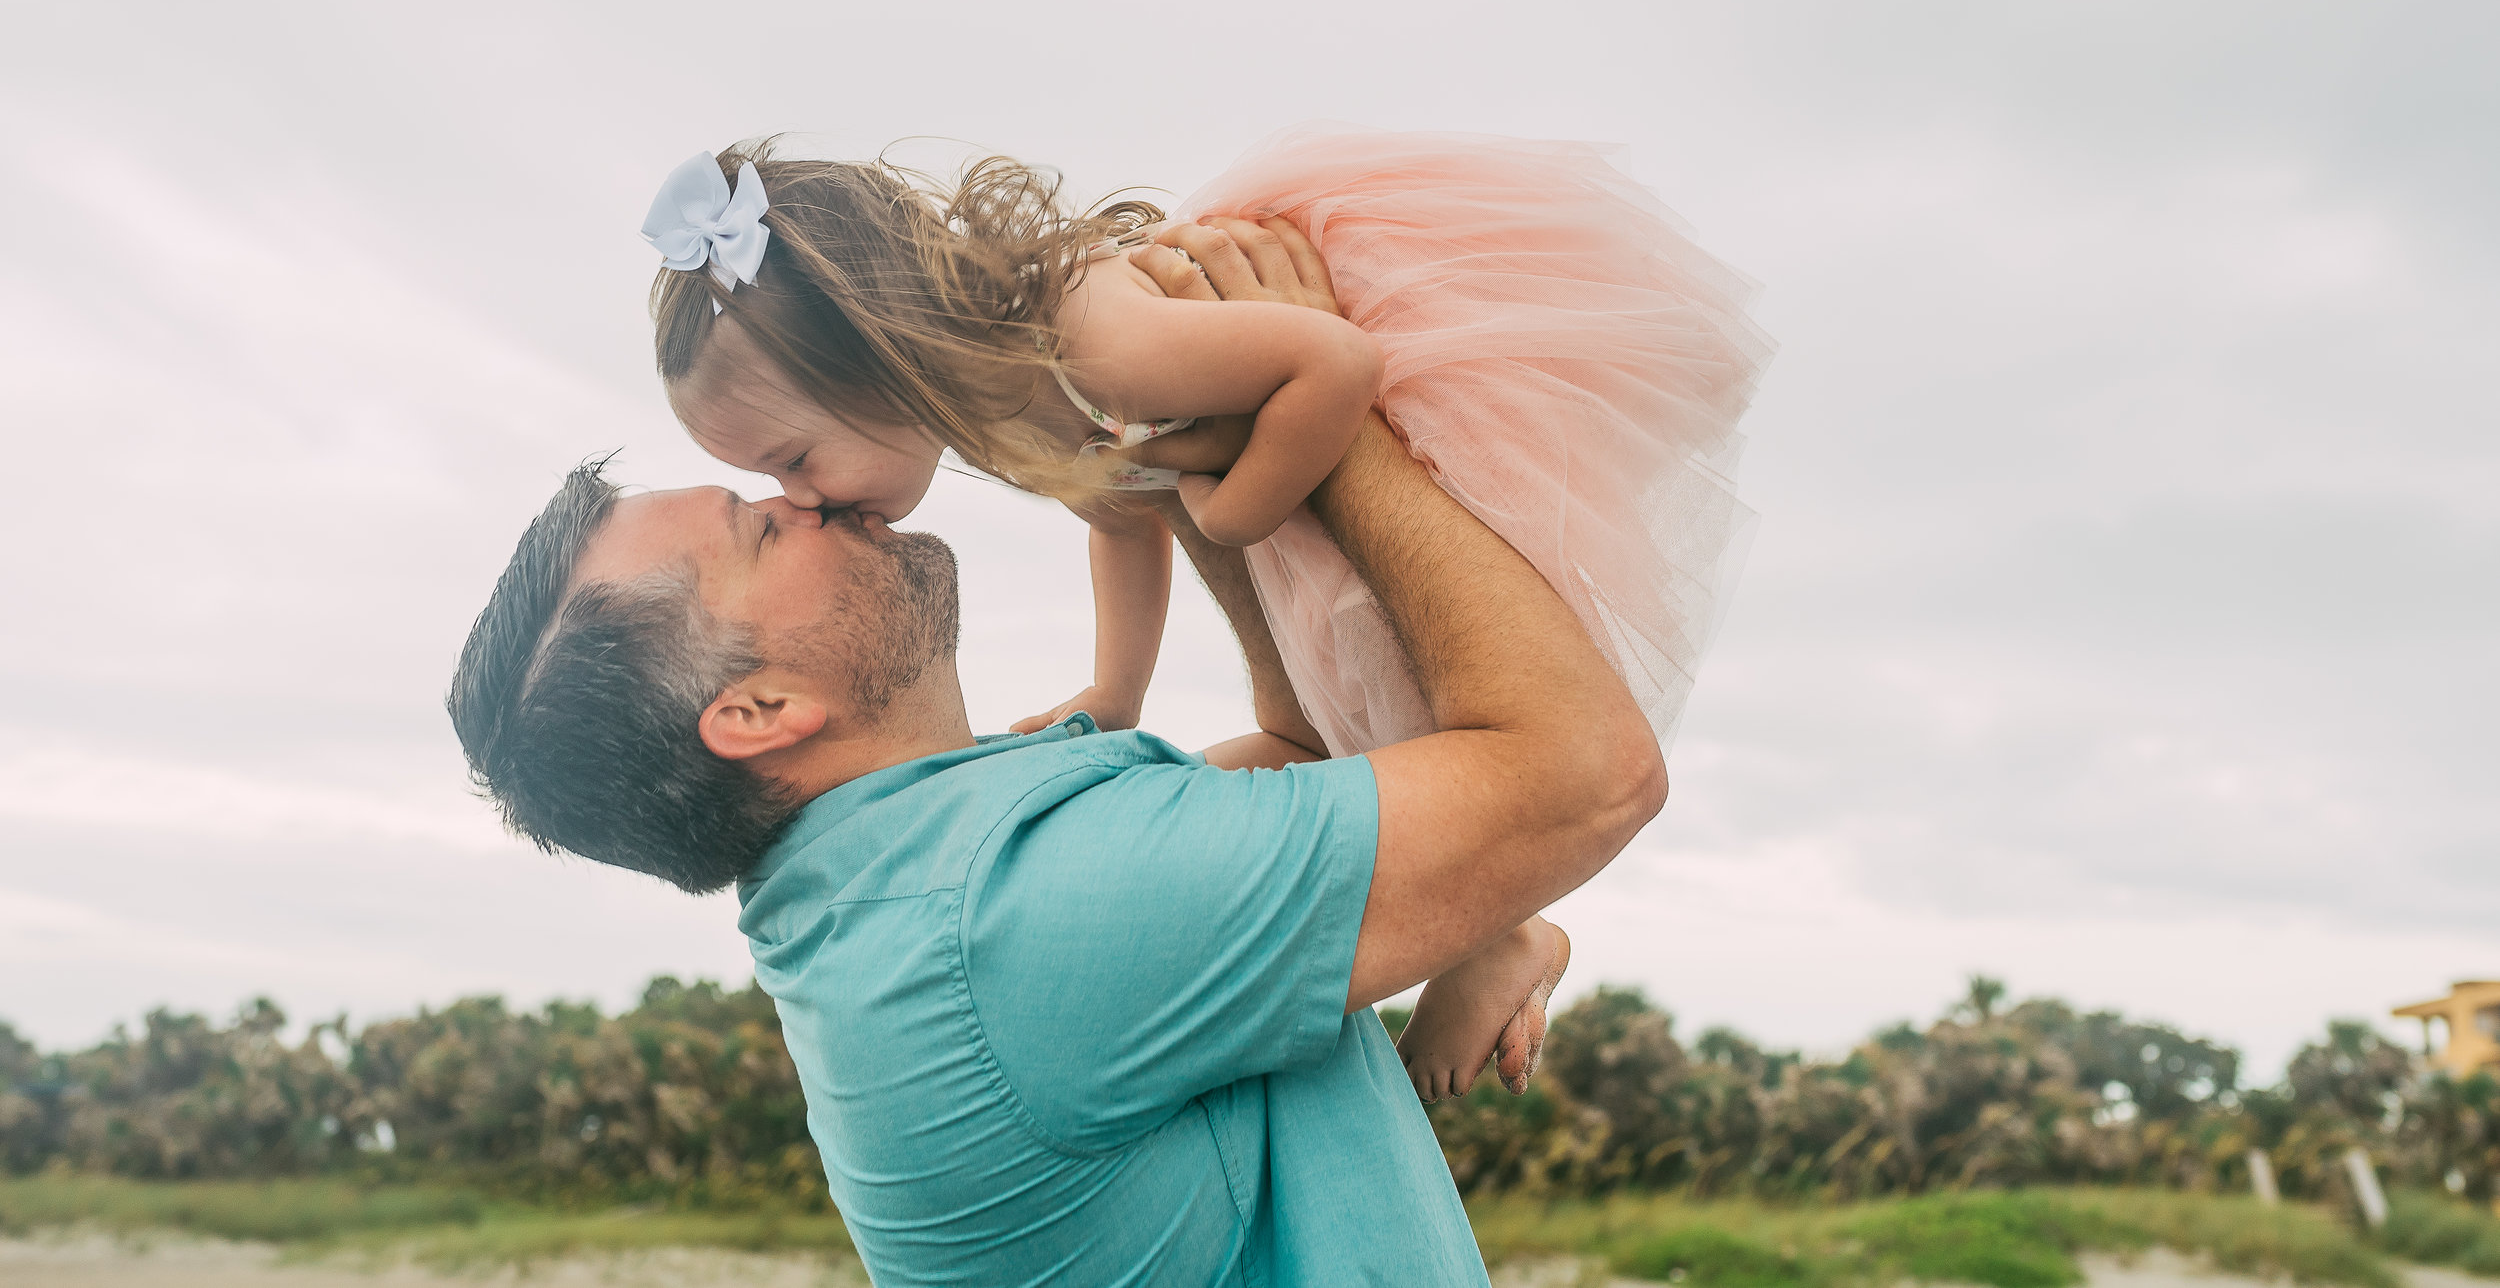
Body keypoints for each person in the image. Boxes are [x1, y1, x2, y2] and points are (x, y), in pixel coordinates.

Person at [446, 228, 1667, 1285]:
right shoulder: (1011, 920)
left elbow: (1304, 750)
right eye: (760, 525)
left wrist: (1195, 431)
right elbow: (1590, 771)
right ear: (760, 707)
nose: (809, 501)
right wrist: (1325, 403)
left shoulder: (919, 889)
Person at [638, 124, 1770, 1098]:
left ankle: (1496, 926)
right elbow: (1121, 511)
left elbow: (1331, 360)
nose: (802, 500)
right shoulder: (1000, 420)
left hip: (1385, 387)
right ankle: (1497, 927)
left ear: (876, 351)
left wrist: (1231, 515)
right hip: (1277, 461)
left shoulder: (1095, 340)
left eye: (791, 457)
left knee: (1430, 692)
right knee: (1348, 723)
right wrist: (1115, 688)